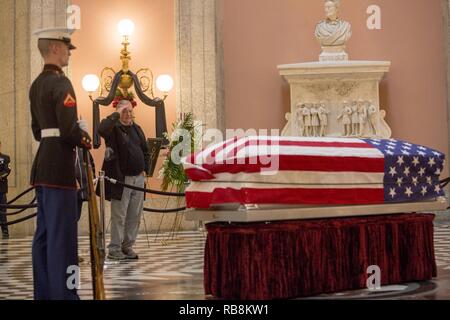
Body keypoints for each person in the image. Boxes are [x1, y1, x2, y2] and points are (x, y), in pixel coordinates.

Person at [29, 27, 92, 300]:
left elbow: (36, 130)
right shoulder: (61, 84)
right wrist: (85, 138)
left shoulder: (36, 85)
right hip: (60, 171)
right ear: (55, 48)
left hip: (42, 166)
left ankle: (44, 293)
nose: (68, 52)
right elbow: (69, 132)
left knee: (43, 238)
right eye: (66, 47)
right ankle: (67, 295)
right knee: (64, 240)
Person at [98, 97, 151, 260]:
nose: (128, 114)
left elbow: (145, 150)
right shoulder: (113, 128)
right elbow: (101, 129)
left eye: (130, 111)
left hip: (138, 179)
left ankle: (127, 246)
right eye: (124, 111)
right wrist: (115, 114)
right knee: (119, 216)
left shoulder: (136, 128)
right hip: (121, 179)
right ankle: (114, 248)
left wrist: (145, 170)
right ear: (118, 112)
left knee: (134, 215)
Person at [0, 140, 11, 239]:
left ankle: (5, 232)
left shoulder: (5, 158)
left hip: (1, 190)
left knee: (2, 212)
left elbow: (7, 170)